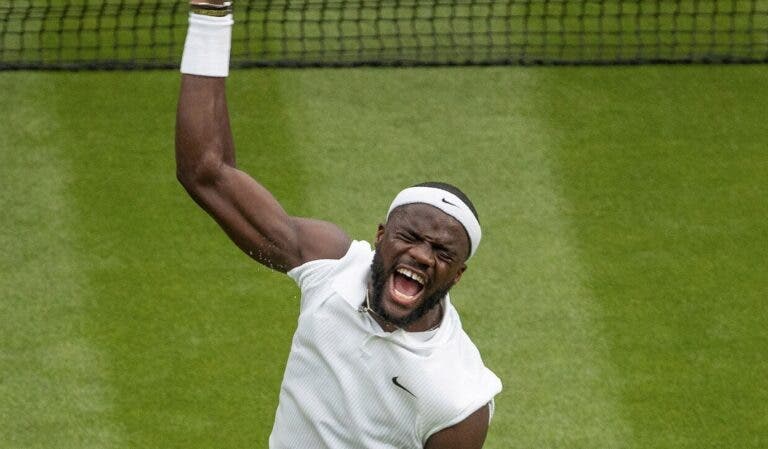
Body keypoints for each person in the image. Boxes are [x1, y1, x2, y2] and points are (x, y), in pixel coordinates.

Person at [175, 2, 502, 448]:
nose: (422, 255)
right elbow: (205, 172)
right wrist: (210, 15)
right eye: (410, 237)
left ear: (459, 274)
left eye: (443, 253)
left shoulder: (459, 400)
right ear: (381, 235)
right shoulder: (327, 266)